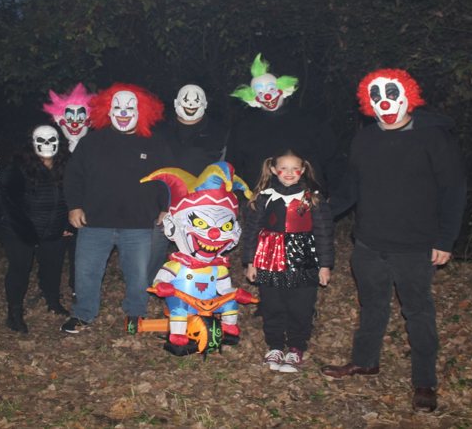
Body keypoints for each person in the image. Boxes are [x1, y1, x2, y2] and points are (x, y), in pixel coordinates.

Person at [320, 69, 467, 412]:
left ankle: (425, 382)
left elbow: (454, 189)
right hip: (369, 243)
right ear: (366, 102)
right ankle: (365, 361)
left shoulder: (433, 137)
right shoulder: (365, 139)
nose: (384, 101)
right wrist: (318, 212)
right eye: (376, 96)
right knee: (372, 306)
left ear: (408, 95)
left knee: (418, 312)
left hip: (415, 246)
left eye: (391, 93)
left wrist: (446, 238)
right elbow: (351, 189)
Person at [60, 83, 174, 335]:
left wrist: (166, 207)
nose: (123, 112)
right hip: (95, 222)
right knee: (86, 272)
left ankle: (136, 313)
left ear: (141, 111)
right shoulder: (91, 142)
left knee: (138, 275)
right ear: (107, 110)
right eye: (118, 107)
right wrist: (74, 206)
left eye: (130, 108)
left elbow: (168, 178)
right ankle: (83, 314)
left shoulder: (155, 143)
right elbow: (73, 176)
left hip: (138, 223)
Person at [143, 161, 254, 355]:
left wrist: (235, 293)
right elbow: (160, 280)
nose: (214, 234)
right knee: (179, 309)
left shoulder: (218, 266)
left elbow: (224, 288)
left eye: (226, 227)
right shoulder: (178, 264)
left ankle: (229, 331)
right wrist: (162, 286)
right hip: (183, 300)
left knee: (229, 304)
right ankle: (177, 339)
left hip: (209, 303)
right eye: (201, 223)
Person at [241, 149, 334, 373]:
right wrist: (250, 261)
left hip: (303, 258)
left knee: (300, 304)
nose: (289, 173)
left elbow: (323, 233)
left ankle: (296, 347)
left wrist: (324, 265)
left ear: (303, 171)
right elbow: (252, 231)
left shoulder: (312, 199)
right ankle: (275, 345)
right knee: (272, 303)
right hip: (269, 257)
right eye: (284, 168)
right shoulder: (265, 197)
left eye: (295, 169)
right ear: (274, 170)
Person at [226, 53, 345, 197]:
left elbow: (335, 164)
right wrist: (240, 201)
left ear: (283, 88)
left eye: (271, 89)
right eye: (260, 92)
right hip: (258, 206)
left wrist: (335, 202)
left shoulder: (311, 122)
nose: (267, 96)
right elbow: (232, 171)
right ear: (253, 97)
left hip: (308, 205)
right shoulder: (243, 128)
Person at [146, 84, 229, 285]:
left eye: (196, 99)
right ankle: (151, 287)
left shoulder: (219, 132)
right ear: (176, 103)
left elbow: (222, 170)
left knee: (199, 254)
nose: (191, 104)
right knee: (152, 253)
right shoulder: (159, 130)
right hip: (161, 204)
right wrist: (161, 205)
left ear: (205, 103)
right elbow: (151, 167)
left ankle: (195, 291)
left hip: (200, 206)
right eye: (186, 99)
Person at [0, 125, 71, 333]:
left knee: (53, 266)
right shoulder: (17, 168)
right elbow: (9, 203)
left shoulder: (67, 166)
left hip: (54, 227)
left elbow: (74, 195)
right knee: (20, 268)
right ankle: (14, 313)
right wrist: (26, 233)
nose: (47, 145)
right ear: (32, 143)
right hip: (19, 229)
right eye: (41, 140)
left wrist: (67, 224)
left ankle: (52, 301)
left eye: (51, 140)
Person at [42, 83, 97, 297]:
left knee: (80, 254)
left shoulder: (94, 148)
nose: (75, 123)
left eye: (80, 118)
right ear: (59, 120)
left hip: (86, 214)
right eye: (69, 117)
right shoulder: (52, 149)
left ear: (89, 120)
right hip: (57, 214)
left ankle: (77, 288)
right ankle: (50, 293)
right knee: (53, 256)